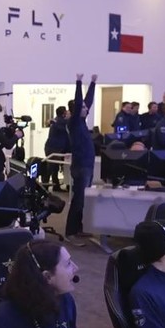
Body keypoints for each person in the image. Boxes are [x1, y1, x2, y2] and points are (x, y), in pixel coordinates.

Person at [64, 73, 97, 246]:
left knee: (84, 200)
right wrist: (78, 82)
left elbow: (88, 101)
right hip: (81, 167)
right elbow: (80, 103)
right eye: (83, 107)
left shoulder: (82, 122)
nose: (86, 108)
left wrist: (92, 83)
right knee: (78, 200)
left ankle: (79, 228)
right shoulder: (74, 122)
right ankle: (70, 232)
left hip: (87, 166)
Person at [43, 106, 70, 191]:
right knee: (51, 168)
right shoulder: (62, 122)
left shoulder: (56, 120)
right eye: (66, 112)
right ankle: (47, 186)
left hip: (51, 148)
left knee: (53, 168)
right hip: (53, 149)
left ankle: (54, 186)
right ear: (63, 114)